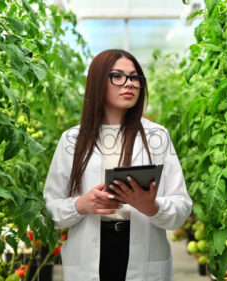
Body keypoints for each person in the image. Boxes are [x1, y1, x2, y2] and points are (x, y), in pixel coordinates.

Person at [43, 49, 192, 281]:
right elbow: (48, 211)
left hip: (143, 253)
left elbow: (182, 208)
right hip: (91, 253)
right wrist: (81, 204)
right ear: (97, 82)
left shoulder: (157, 136)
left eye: (135, 77)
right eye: (118, 76)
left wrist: (151, 206)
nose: (129, 84)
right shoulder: (72, 140)